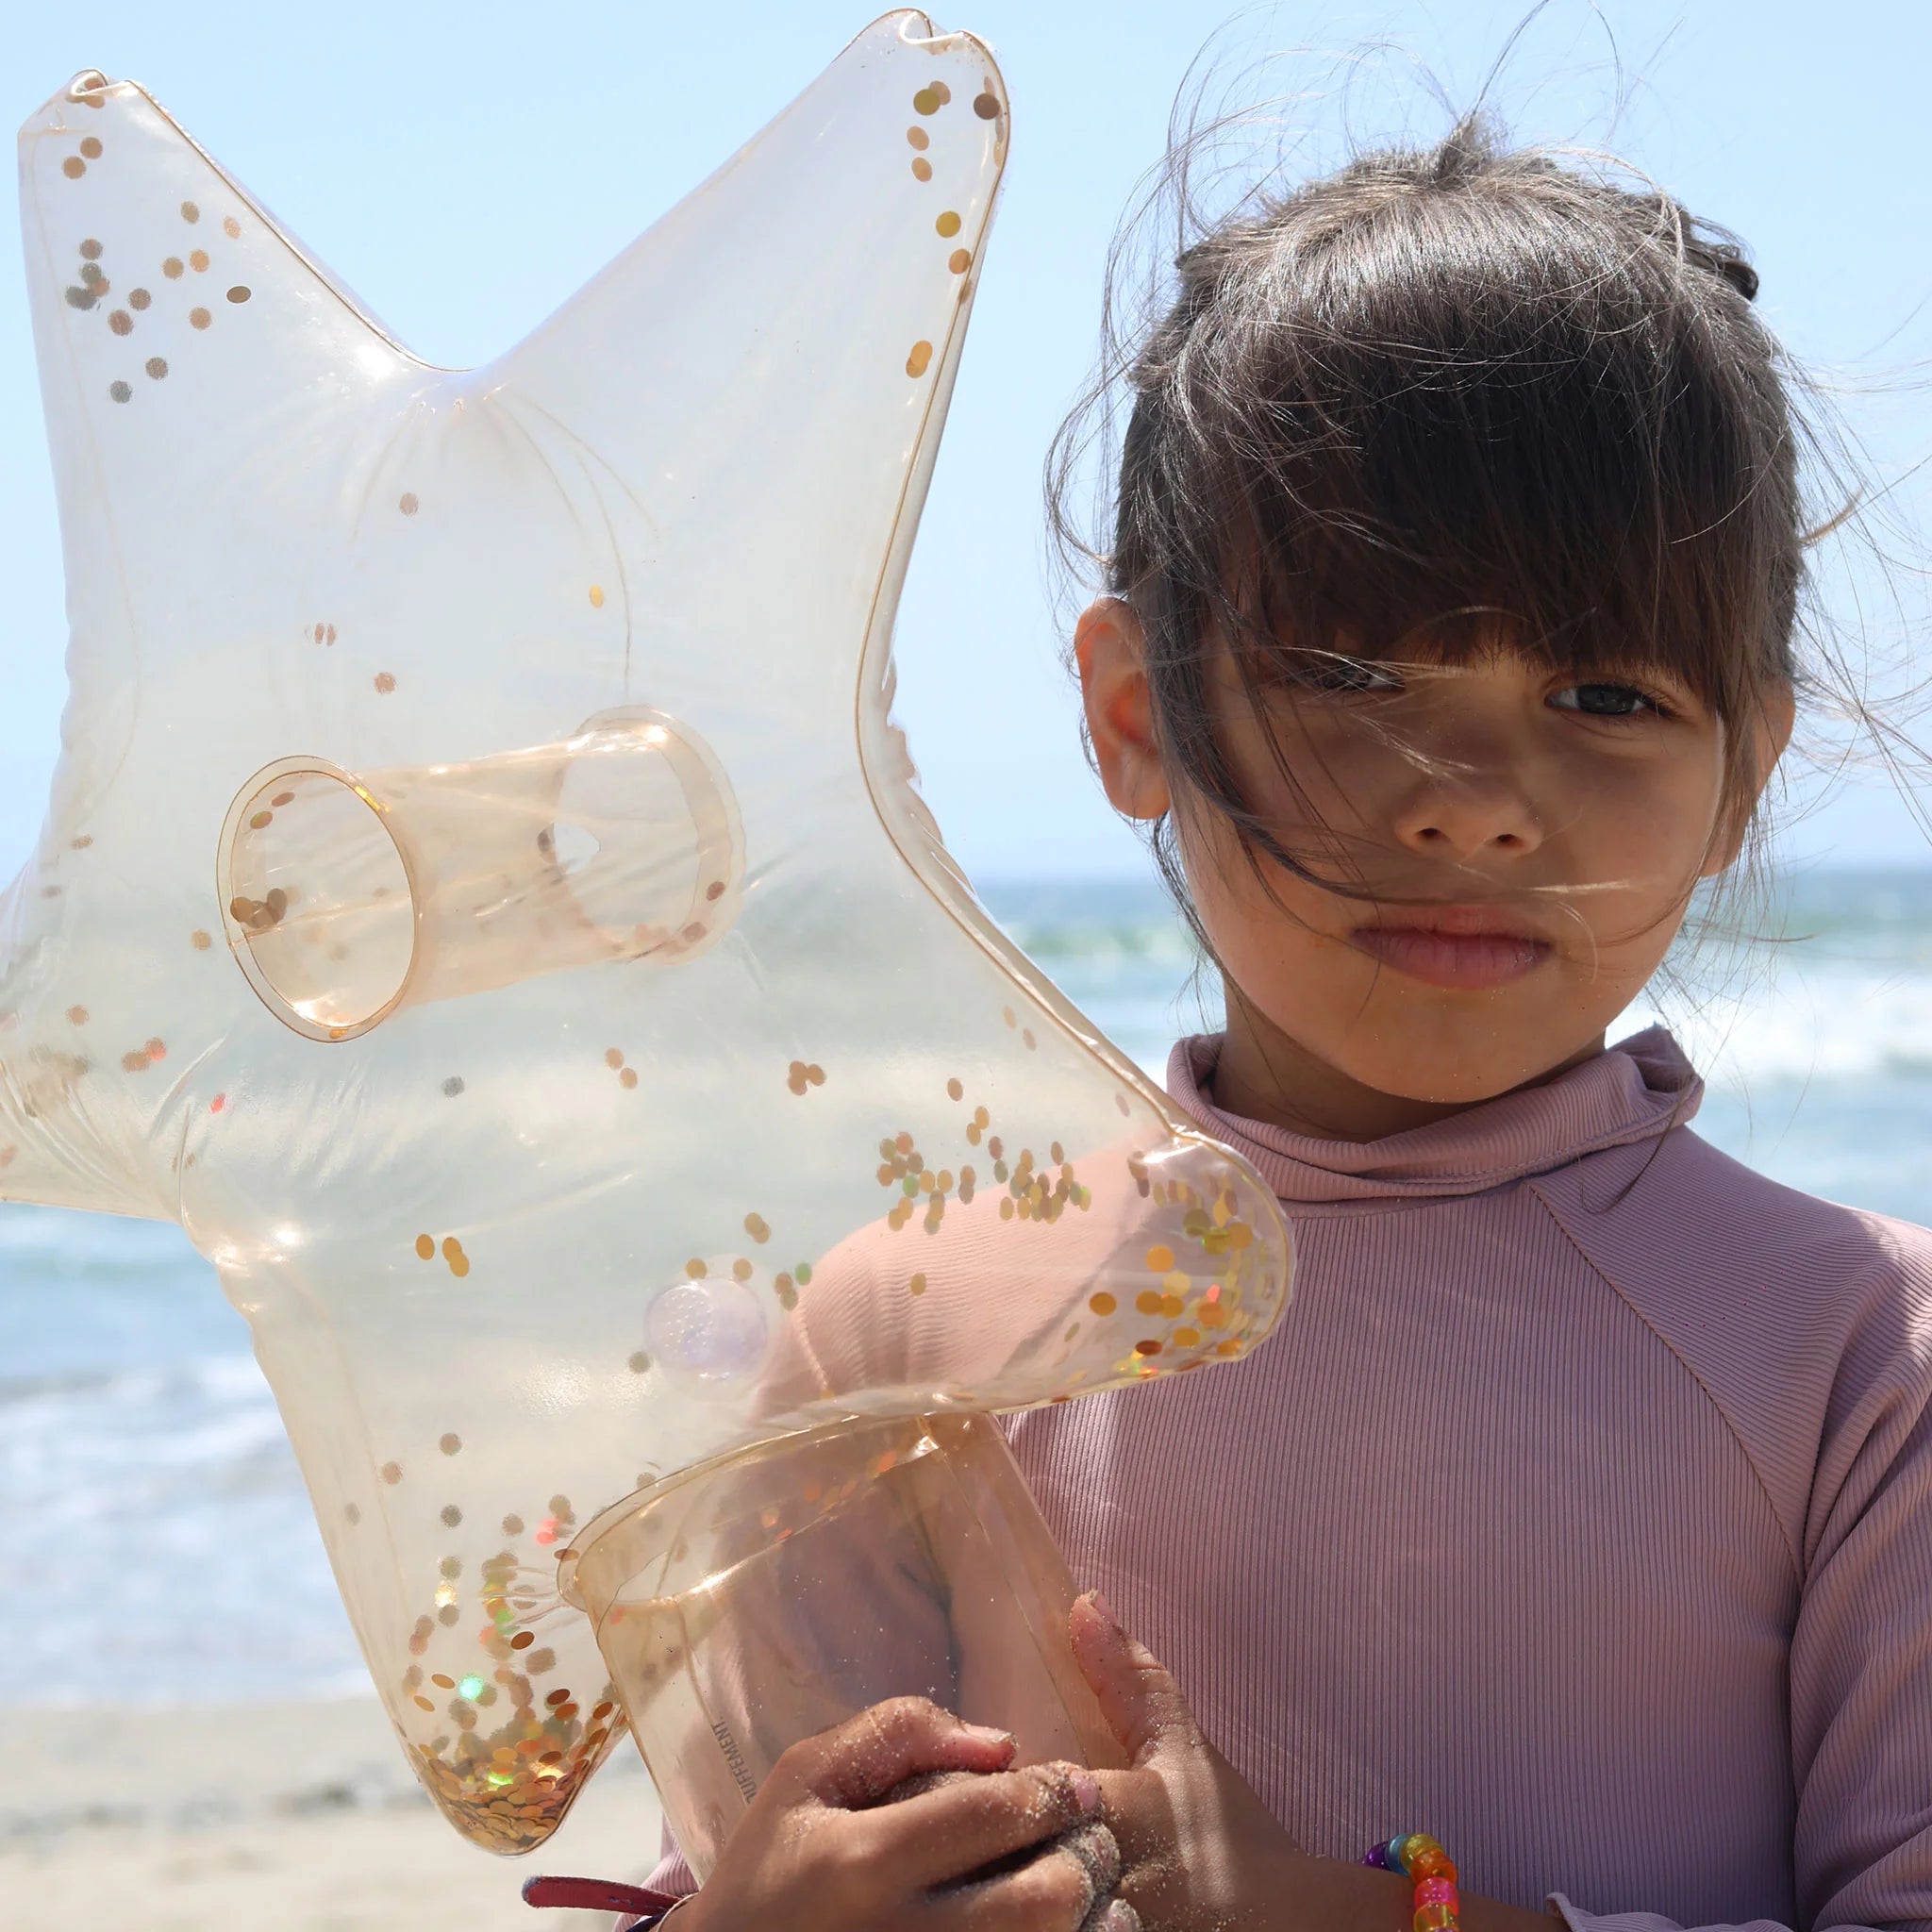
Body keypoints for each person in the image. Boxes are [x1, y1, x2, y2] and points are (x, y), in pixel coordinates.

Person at [626, 113, 1932, 1932]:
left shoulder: (1860, 1359)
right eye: (1345, 669)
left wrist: (1351, 1916)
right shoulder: (904, 1338)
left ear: (1743, 778)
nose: (1476, 800)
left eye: (1608, 690)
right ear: (1135, 708)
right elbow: (766, 1852)